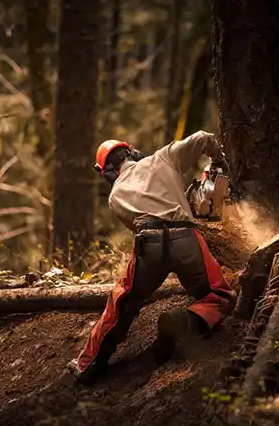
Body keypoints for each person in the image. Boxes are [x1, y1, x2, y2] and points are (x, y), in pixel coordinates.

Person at [67, 130, 237, 385]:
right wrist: (219, 162)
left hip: (148, 244)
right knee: (219, 295)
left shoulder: (115, 198)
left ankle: (87, 365)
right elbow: (203, 137)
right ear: (131, 152)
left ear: (108, 173)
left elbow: (136, 226)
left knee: (120, 305)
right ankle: (187, 321)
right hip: (185, 238)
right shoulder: (163, 158)